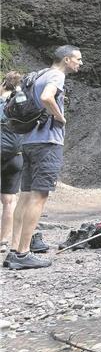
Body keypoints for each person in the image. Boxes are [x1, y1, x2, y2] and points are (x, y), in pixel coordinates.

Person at [5, 45, 83, 271]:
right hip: (47, 142)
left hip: (28, 141)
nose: (80, 63)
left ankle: (14, 251)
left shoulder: (36, 74)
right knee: (39, 197)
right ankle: (24, 253)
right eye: (78, 59)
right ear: (67, 59)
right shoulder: (57, 75)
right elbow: (47, 97)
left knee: (25, 196)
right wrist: (61, 118)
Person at [1, 72, 25, 255]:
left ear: (3, 84)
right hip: (16, 156)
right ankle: (3, 241)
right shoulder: (22, 106)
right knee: (9, 201)